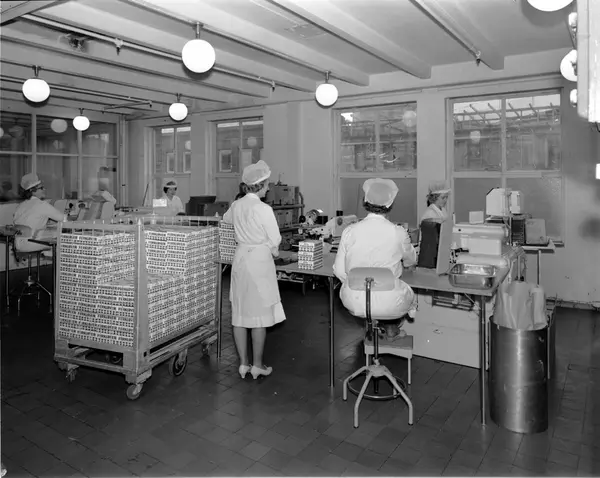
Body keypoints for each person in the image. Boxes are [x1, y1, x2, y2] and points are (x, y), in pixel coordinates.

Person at [223, 160, 286, 380]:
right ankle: (257, 365)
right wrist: (272, 248)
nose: (268, 188)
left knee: (240, 313)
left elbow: (225, 221)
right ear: (260, 185)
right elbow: (275, 239)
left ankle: (243, 364)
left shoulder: (236, 205)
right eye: (267, 184)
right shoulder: (263, 209)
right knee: (259, 316)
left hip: (241, 258)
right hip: (259, 260)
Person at [333, 178, 417, 337]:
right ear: (390, 204)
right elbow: (411, 261)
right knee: (408, 293)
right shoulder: (398, 232)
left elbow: (339, 271)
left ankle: (383, 328)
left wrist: (358, 283)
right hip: (391, 303)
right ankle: (393, 326)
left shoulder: (349, 231)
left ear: (365, 201)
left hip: (354, 301)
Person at [13, 173, 65, 252]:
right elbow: (63, 218)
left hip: (18, 243)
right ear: (32, 191)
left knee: (51, 234)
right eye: (41, 188)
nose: (44, 189)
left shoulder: (21, 205)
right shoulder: (41, 204)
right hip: (32, 243)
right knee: (63, 240)